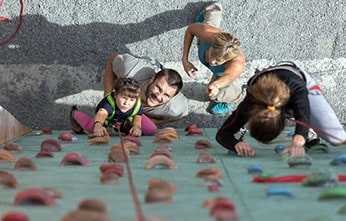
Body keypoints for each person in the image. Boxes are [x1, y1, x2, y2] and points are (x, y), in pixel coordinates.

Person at [216, 61, 346, 157]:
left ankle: (310, 133)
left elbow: (303, 115)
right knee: (296, 113)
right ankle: (306, 132)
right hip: (270, 84)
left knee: (338, 138)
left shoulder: (297, 88)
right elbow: (222, 134)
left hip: (298, 82)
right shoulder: (250, 103)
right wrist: (235, 144)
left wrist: (299, 139)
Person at [181, 1, 245, 115]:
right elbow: (190, 29)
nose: (212, 62)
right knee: (208, 27)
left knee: (215, 94)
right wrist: (185, 60)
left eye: (218, 61)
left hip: (221, 75)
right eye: (212, 55)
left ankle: (234, 98)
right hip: (209, 37)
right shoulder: (209, 35)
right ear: (212, 44)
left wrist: (216, 85)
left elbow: (228, 77)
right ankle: (214, 8)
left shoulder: (237, 64)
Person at [104, 53, 189, 125]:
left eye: (166, 95)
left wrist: (154, 121)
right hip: (147, 65)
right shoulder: (130, 70)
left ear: (172, 97)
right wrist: (107, 99)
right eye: (158, 88)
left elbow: (185, 114)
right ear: (152, 79)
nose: (158, 97)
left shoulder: (175, 108)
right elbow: (112, 59)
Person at [70, 77, 156, 136]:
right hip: (106, 118)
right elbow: (102, 113)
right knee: (92, 129)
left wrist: (136, 127)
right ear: (115, 95)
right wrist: (98, 125)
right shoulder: (109, 103)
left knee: (150, 129)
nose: (127, 103)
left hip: (125, 119)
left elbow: (138, 115)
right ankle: (74, 113)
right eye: (123, 98)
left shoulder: (136, 103)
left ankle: (122, 127)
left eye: (131, 100)